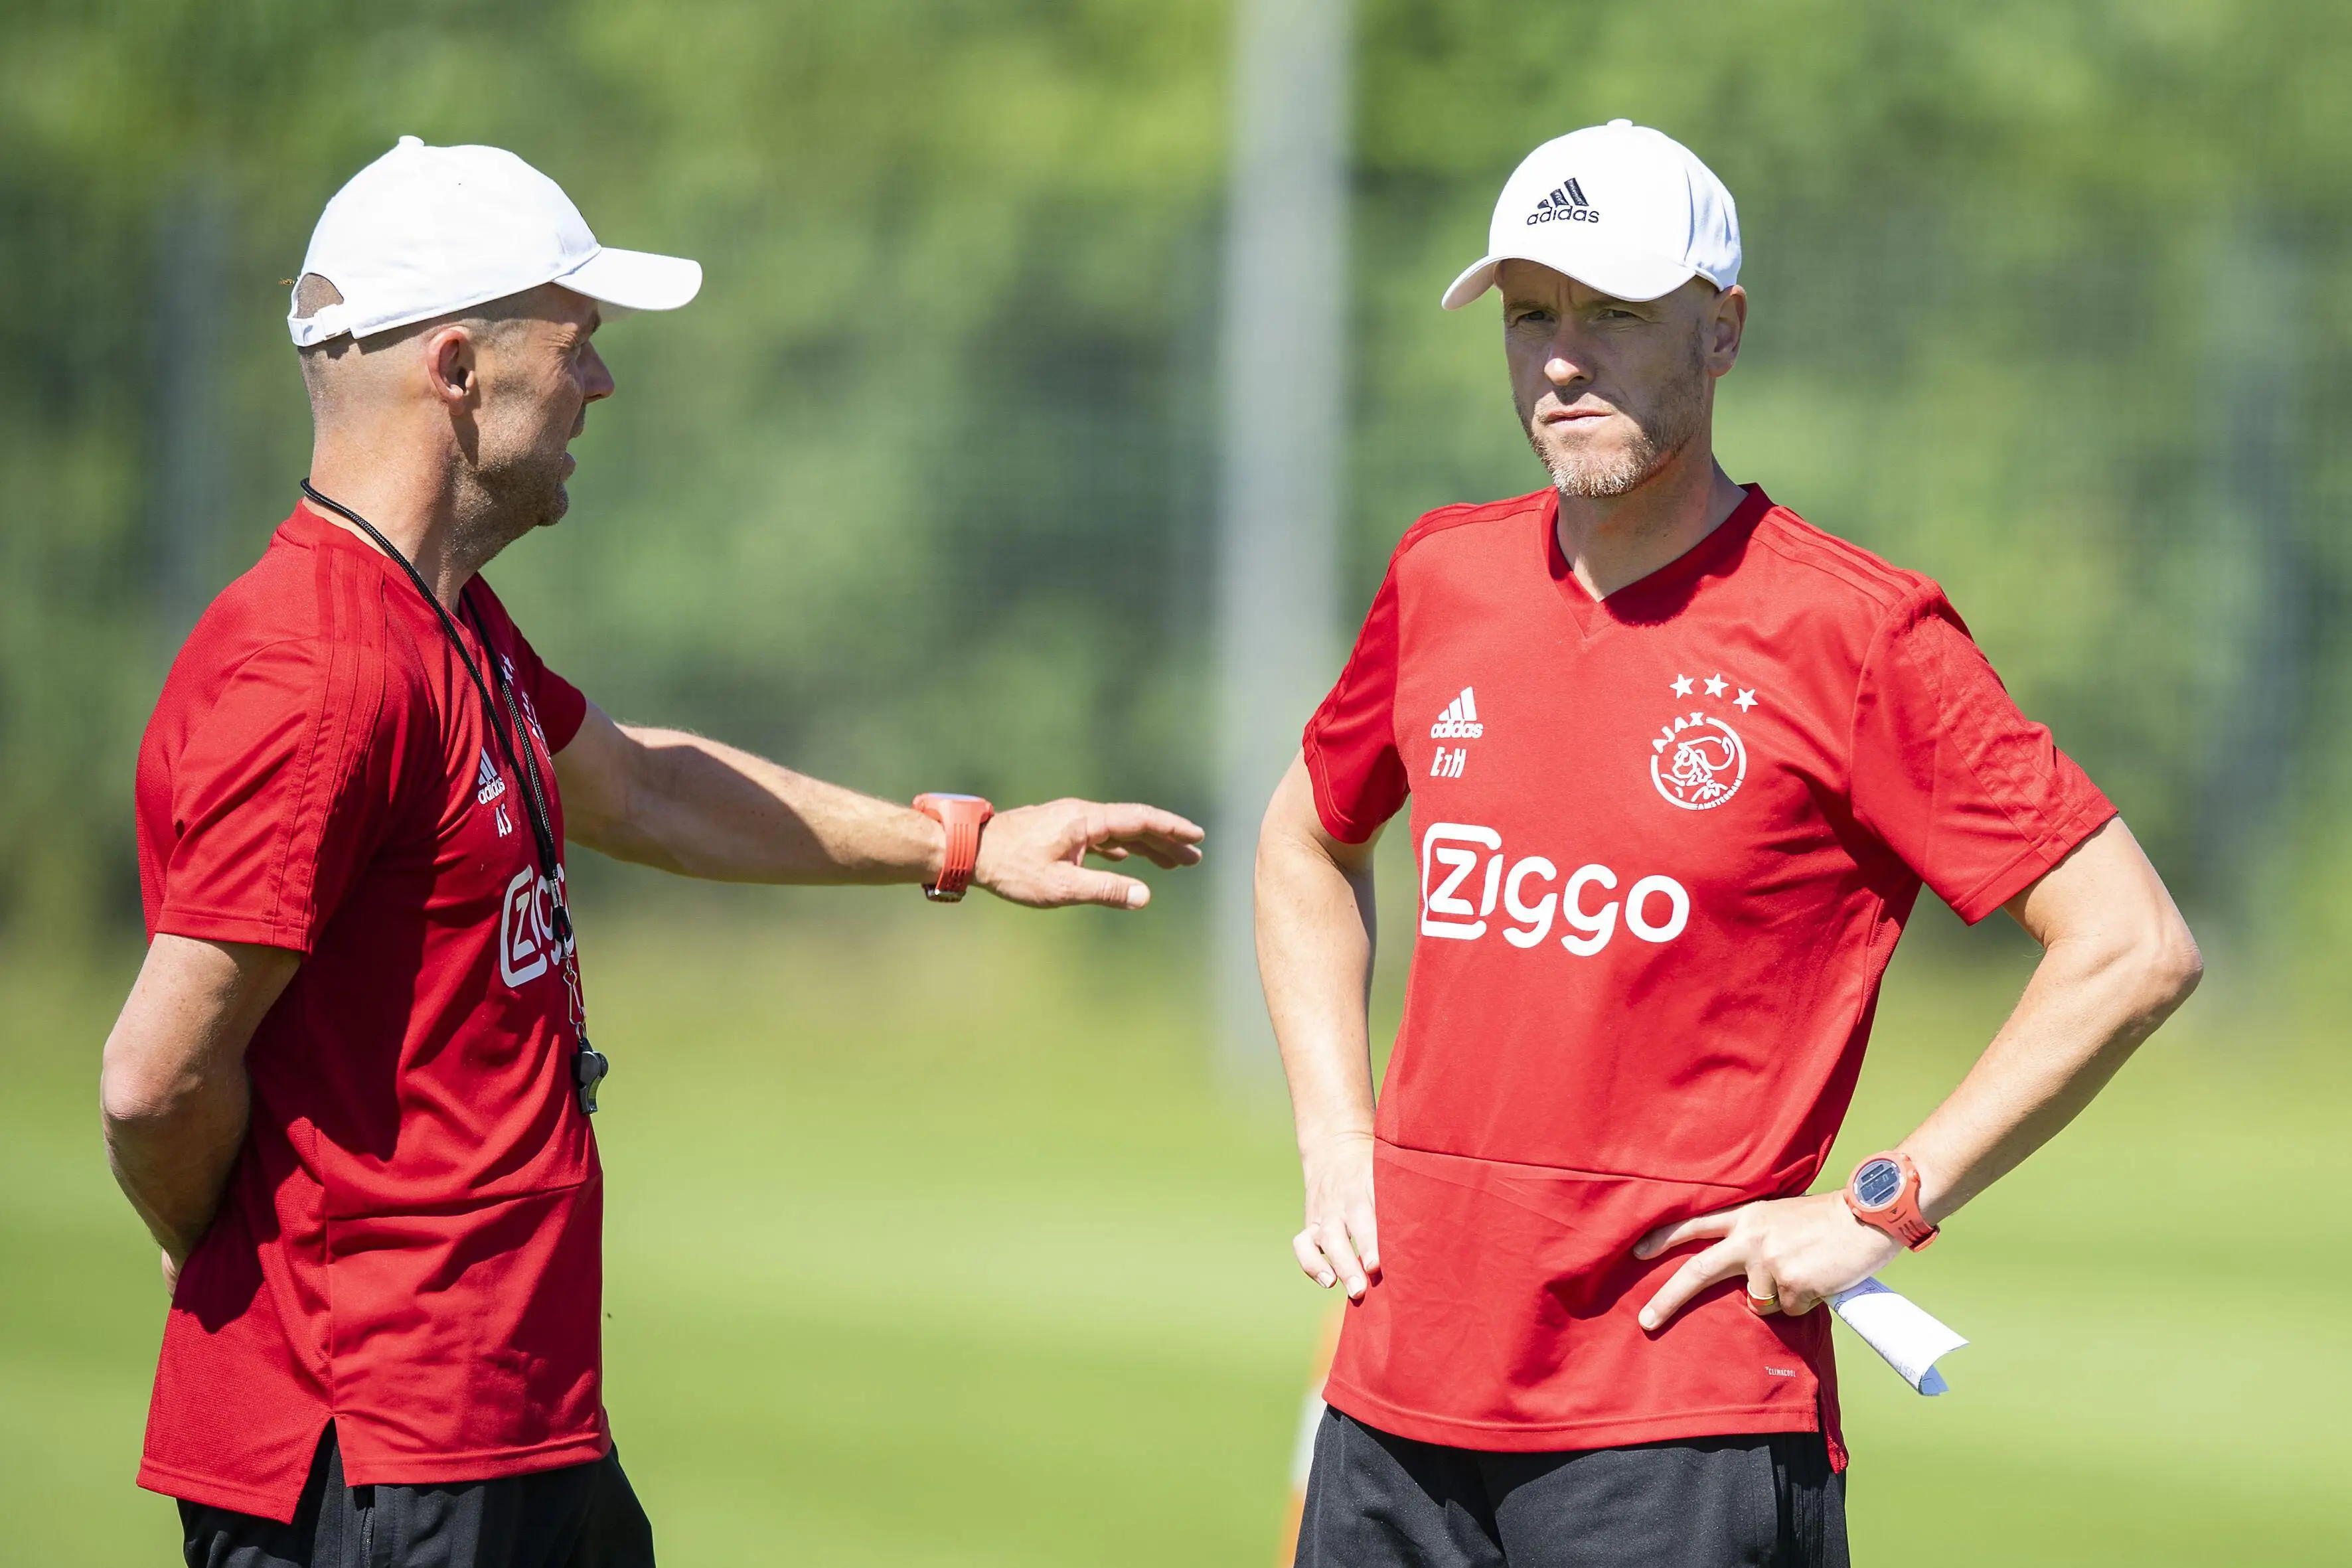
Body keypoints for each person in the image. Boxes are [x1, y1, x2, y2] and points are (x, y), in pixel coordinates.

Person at [101, 136, 1204, 1568]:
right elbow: (154, 1078)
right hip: (380, 1457)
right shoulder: (320, 671)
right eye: (578, 347)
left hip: (511, 1426)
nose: (601, 385)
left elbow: (640, 787)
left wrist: (959, 841)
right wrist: (229, 1251)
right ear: (455, 370)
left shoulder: (441, 621)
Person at [1255, 119, 2201, 1568]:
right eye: (1530, 316)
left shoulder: (1857, 630)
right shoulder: (1443, 575)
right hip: (1393, 1401)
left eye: (1615, 313)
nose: (1562, 358)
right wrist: (1335, 1135)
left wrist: (1880, 1206)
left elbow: (2130, 944)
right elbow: (1306, 840)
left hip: (1674, 1428)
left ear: (1722, 330)